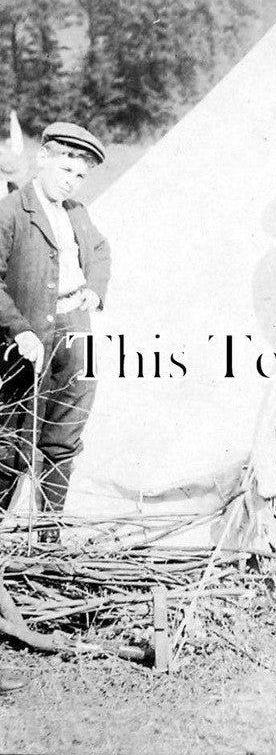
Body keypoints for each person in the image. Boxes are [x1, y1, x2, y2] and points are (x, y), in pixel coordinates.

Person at [0, 122, 111, 539]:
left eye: (80, 175)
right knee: (14, 438)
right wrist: (18, 329)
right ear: (42, 158)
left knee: (64, 435)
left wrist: (95, 292)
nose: (71, 182)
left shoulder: (77, 213)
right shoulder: (12, 211)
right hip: (27, 339)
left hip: (74, 332)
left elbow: (101, 251)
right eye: (65, 168)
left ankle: (49, 531)